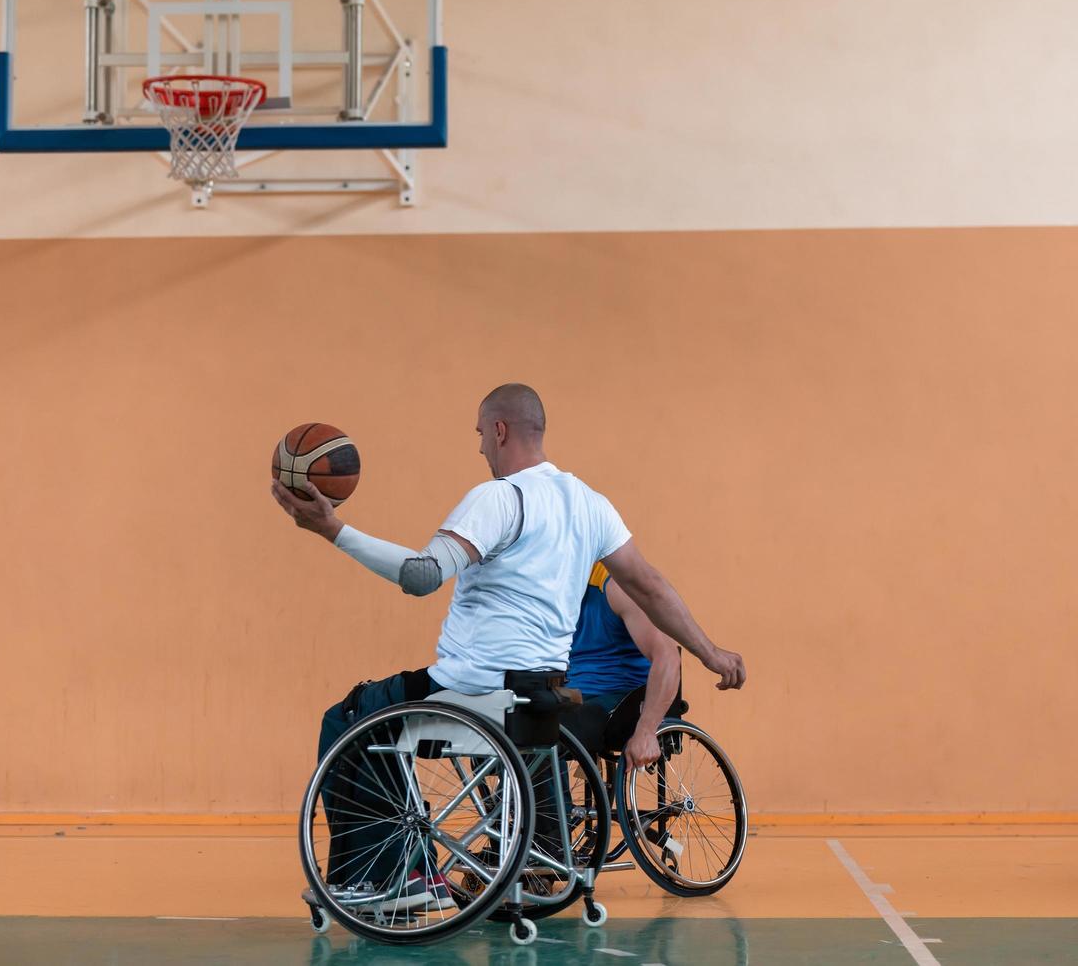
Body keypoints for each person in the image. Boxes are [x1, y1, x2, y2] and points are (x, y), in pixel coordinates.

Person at [271, 383, 745, 912]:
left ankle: (396, 878)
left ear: (499, 431)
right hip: (539, 693)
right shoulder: (591, 504)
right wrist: (710, 652)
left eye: (480, 434)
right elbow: (652, 586)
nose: (479, 448)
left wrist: (333, 530)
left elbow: (422, 576)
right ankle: (437, 867)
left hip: (472, 692)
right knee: (392, 708)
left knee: (351, 716)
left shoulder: (499, 497)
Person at [565, 561, 683, 770]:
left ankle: (551, 803)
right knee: (521, 719)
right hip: (574, 691)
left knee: (552, 727)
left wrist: (646, 731)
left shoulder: (616, 586)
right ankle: (528, 799)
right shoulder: (551, 588)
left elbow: (668, 658)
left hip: (623, 696)